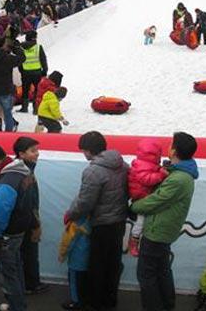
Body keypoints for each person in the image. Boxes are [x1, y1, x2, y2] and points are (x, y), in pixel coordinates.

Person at [131, 132, 199, 311]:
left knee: (146, 275)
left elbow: (156, 201)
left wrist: (133, 207)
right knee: (161, 271)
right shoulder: (179, 173)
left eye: (171, 144)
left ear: (174, 150)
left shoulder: (179, 178)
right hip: (163, 230)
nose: (167, 147)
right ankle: (166, 305)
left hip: (157, 232)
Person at [66, 131, 129, 311]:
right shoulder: (122, 165)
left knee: (97, 265)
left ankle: (95, 302)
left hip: (101, 224)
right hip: (119, 221)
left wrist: (71, 213)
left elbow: (85, 202)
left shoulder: (93, 171)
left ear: (87, 150)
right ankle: (110, 300)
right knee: (113, 263)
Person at [0, 143, 33, 311]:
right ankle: (20, 304)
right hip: (20, 229)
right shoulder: (22, 172)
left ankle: (17, 307)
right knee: (16, 268)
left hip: (6, 235)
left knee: (8, 275)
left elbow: (1, 213)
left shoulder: (6, 182)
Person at [12, 137, 49, 295]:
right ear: (21, 154)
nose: (37, 154)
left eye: (37, 150)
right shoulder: (25, 174)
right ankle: (30, 284)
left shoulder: (24, 169)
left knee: (26, 252)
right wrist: (35, 224)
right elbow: (28, 203)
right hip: (26, 220)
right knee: (29, 252)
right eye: (33, 151)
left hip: (25, 219)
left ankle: (28, 282)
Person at [127, 139, 169, 258]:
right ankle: (134, 241)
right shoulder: (141, 165)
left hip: (144, 196)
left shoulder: (144, 163)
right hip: (140, 197)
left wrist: (160, 169)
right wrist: (161, 174)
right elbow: (146, 179)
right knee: (140, 223)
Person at [58, 216, 90, 310]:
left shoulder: (77, 221)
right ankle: (84, 300)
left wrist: (62, 253)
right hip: (88, 256)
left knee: (74, 281)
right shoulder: (92, 218)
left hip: (77, 258)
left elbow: (69, 239)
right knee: (84, 280)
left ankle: (75, 302)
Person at [18, 31, 48, 114]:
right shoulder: (38, 47)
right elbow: (43, 60)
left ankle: (24, 107)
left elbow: (20, 61)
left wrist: (22, 70)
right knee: (37, 90)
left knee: (25, 90)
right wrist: (44, 71)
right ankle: (36, 108)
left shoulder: (21, 48)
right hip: (37, 72)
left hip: (25, 73)